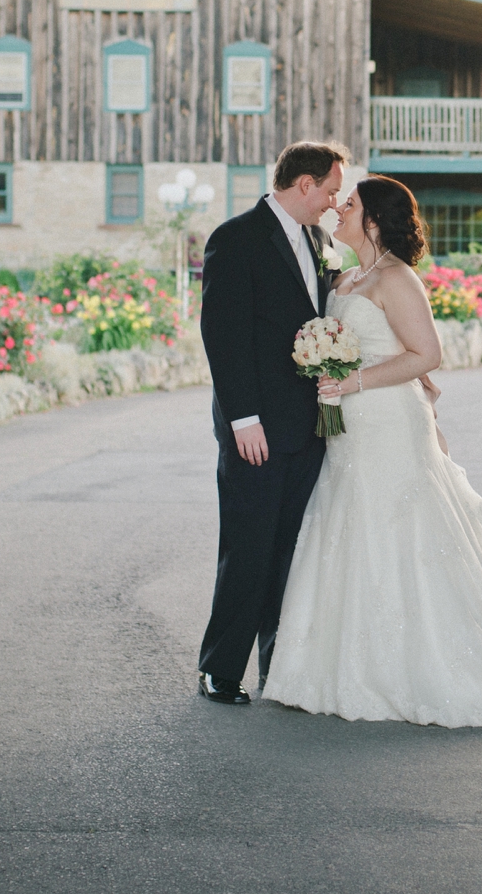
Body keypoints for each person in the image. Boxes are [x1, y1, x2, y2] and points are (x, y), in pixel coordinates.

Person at [261, 176, 482, 726]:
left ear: (375, 220)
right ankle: (342, 669)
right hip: (345, 430)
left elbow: (426, 354)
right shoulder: (345, 276)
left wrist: (350, 383)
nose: (340, 207)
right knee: (349, 529)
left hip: (386, 421)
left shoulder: (396, 278)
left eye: (351, 203)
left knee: (398, 531)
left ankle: (423, 668)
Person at [195, 140, 347, 705]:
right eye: (330, 189)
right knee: (249, 546)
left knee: (291, 550)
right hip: (254, 429)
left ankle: (278, 670)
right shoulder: (234, 238)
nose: (334, 202)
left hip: (308, 427)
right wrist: (243, 419)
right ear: (303, 184)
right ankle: (221, 669)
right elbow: (223, 337)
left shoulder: (321, 241)